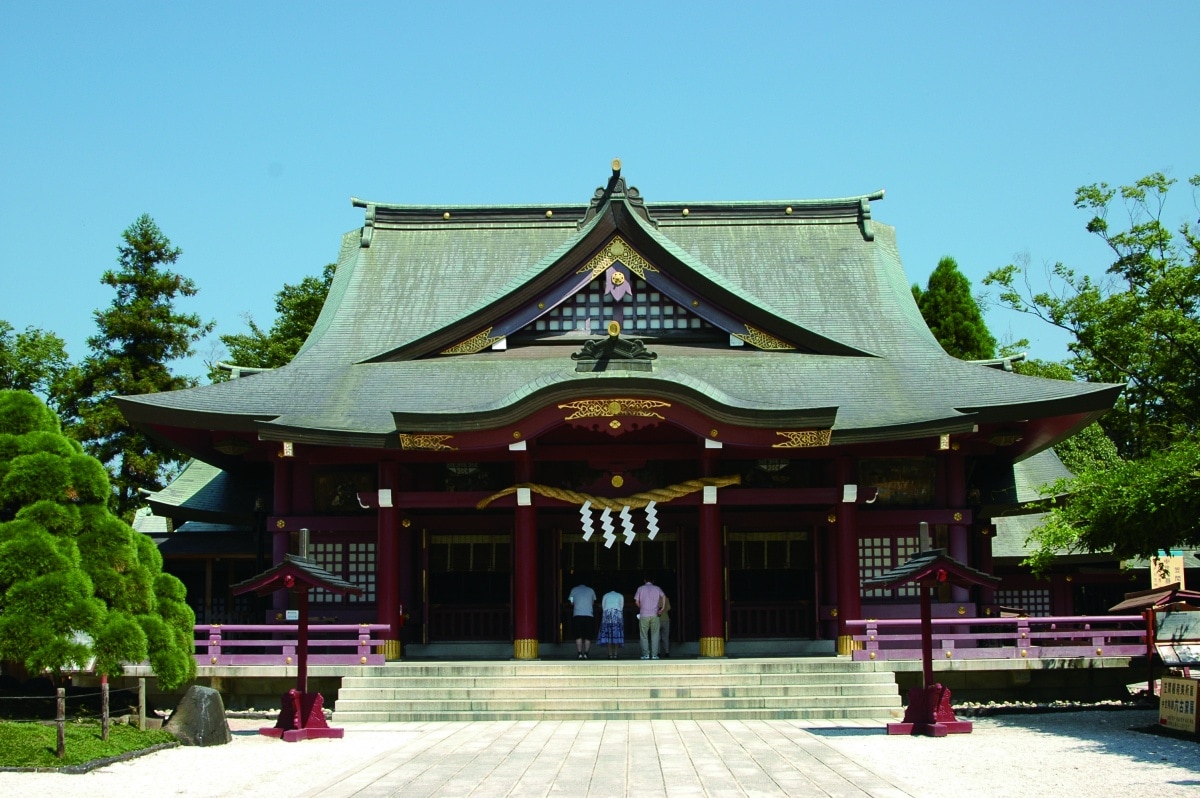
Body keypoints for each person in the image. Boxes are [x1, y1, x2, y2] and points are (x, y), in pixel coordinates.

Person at [633, 575, 666, 660]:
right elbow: (664, 596)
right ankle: (654, 655)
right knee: (655, 635)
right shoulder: (657, 588)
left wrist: (642, 607)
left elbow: (636, 601)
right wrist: (662, 608)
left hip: (644, 615)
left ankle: (646, 654)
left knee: (643, 635)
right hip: (655, 614)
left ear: (644, 580)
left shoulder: (640, 588)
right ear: (653, 581)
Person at [568, 581, 597, 659]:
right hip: (589, 615)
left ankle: (580, 653)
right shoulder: (591, 590)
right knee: (588, 636)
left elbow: (571, 602)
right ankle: (586, 653)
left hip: (577, 614)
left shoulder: (573, 590)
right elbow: (592, 602)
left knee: (578, 635)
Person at [596, 588, 625, 659]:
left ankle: (610, 654)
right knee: (616, 634)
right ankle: (615, 654)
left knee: (608, 635)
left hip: (607, 616)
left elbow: (603, 607)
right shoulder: (620, 595)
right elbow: (621, 608)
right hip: (617, 616)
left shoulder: (605, 595)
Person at [658, 593, 672, 657]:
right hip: (665, 619)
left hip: (657, 620)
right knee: (665, 637)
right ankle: (667, 652)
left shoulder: (654, 599)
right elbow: (668, 608)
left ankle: (657, 652)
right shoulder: (666, 599)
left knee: (656, 638)